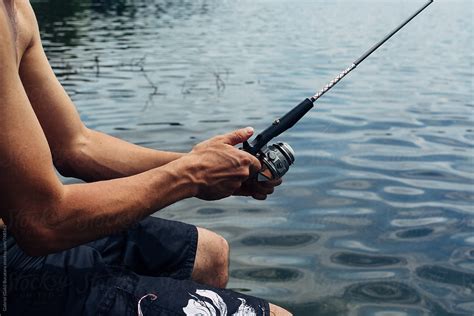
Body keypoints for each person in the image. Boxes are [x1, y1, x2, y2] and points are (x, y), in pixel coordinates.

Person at [0, 1, 292, 315]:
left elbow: (76, 147)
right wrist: (190, 175)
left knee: (208, 252)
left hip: (25, 233)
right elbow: (43, 221)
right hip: (14, 259)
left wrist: (209, 165)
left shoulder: (16, 9)